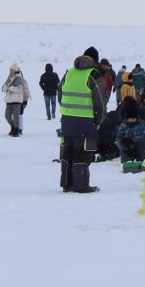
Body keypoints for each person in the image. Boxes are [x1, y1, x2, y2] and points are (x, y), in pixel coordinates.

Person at [58, 51, 107, 193]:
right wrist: (99, 120)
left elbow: (60, 93)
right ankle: (81, 185)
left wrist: (67, 109)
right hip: (86, 121)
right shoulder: (94, 75)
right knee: (83, 152)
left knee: (68, 150)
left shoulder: (68, 73)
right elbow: (100, 102)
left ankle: (67, 184)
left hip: (67, 119)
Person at [2, 64, 30, 137]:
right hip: (9, 100)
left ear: (15, 70)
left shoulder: (20, 78)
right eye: (10, 70)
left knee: (16, 116)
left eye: (11, 70)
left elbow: (19, 89)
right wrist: (8, 86)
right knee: (7, 116)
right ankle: (13, 127)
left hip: (17, 101)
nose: (10, 71)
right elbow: (3, 88)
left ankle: (16, 130)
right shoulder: (9, 78)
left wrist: (10, 88)